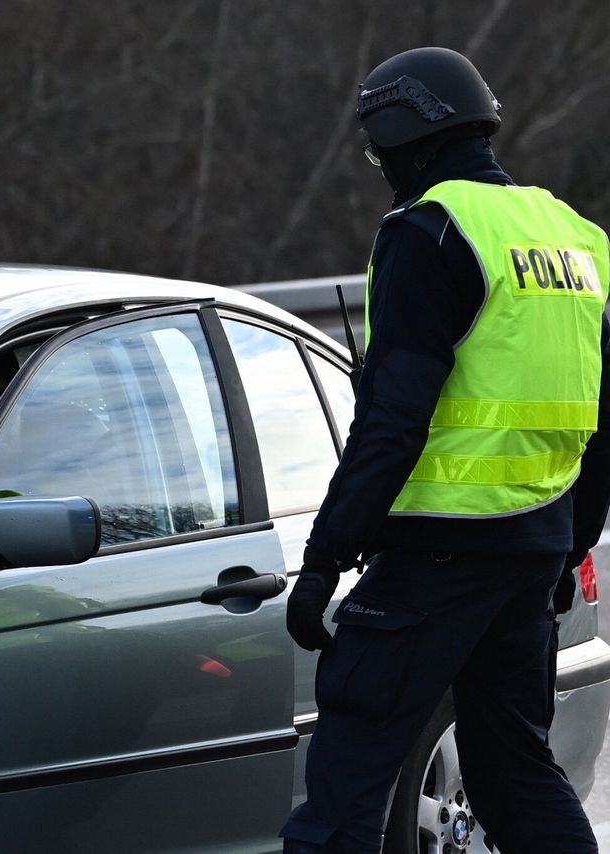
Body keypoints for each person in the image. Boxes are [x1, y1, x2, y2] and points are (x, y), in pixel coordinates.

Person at [280, 46, 610, 853]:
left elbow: (392, 423)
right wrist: (569, 545)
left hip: (437, 555)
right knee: (517, 777)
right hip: (530, 552)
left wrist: (324, 559)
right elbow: (601, 420)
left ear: (404, 133)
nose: (379, 166)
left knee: (348, 784)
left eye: (375, 150)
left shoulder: (431, 230)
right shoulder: (576, 238)